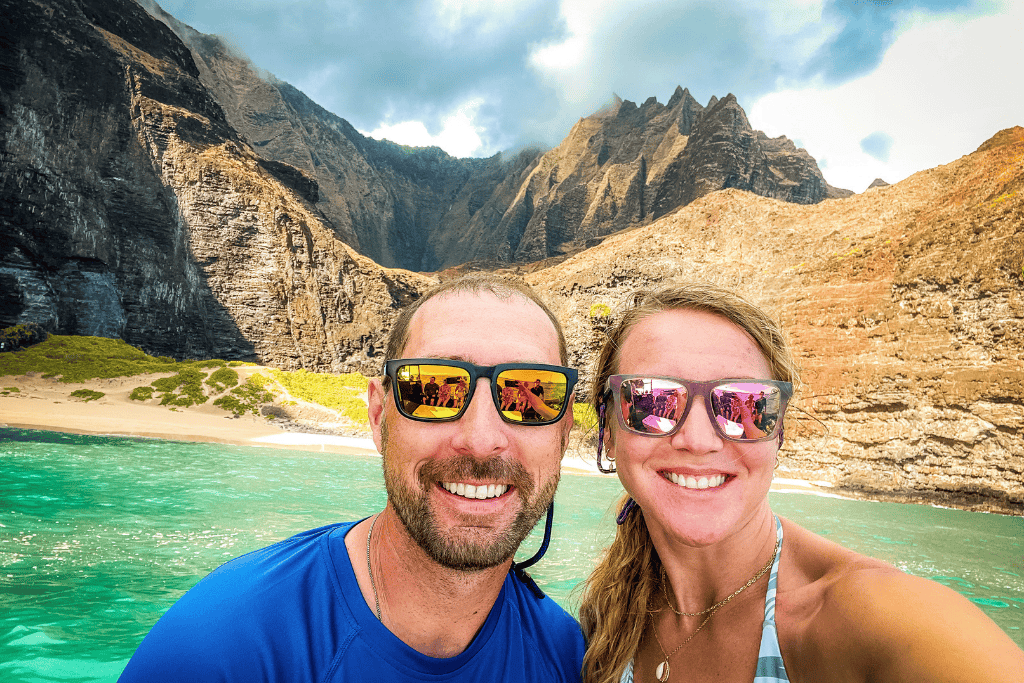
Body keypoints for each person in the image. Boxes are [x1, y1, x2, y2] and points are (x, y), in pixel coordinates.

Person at [119, 273, 585, 682]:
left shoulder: (567, 657)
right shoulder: (223, 646)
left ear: (564, 432)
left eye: (531, 396)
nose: (481, 440)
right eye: (433, 390)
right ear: (379, 416)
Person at [577, 282, 1024, 683]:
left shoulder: (875, 619)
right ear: (608, 430)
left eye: (744, 406)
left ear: (779, 432)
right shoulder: (606, 617)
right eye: (651, 401)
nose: (698, 440)